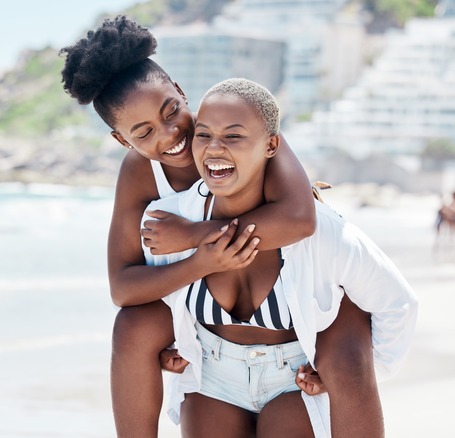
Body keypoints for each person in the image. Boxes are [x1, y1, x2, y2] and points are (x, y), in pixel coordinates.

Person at [59, 16, 376, 436]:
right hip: (207, 327)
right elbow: (123, 287)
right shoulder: (140, 174)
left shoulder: (234, 127)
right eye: (144, 132)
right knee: (133, 324)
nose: (171, 133)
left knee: (348, 318)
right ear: (124, 142)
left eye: (171, 111)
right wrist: (201, 262)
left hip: (287, 318)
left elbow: (299, 219)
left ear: (180, 91)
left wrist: (193, 236)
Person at [141, 78, 419, 436]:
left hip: (294, 380)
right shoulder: (177, 218)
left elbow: (398, 303)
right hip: (212, 379)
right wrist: (171, 345)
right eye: (204, 135)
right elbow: (155, 295)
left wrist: (363, 373)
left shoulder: (321, 231)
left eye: (234, 136)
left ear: (271, 145)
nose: (214, 149)